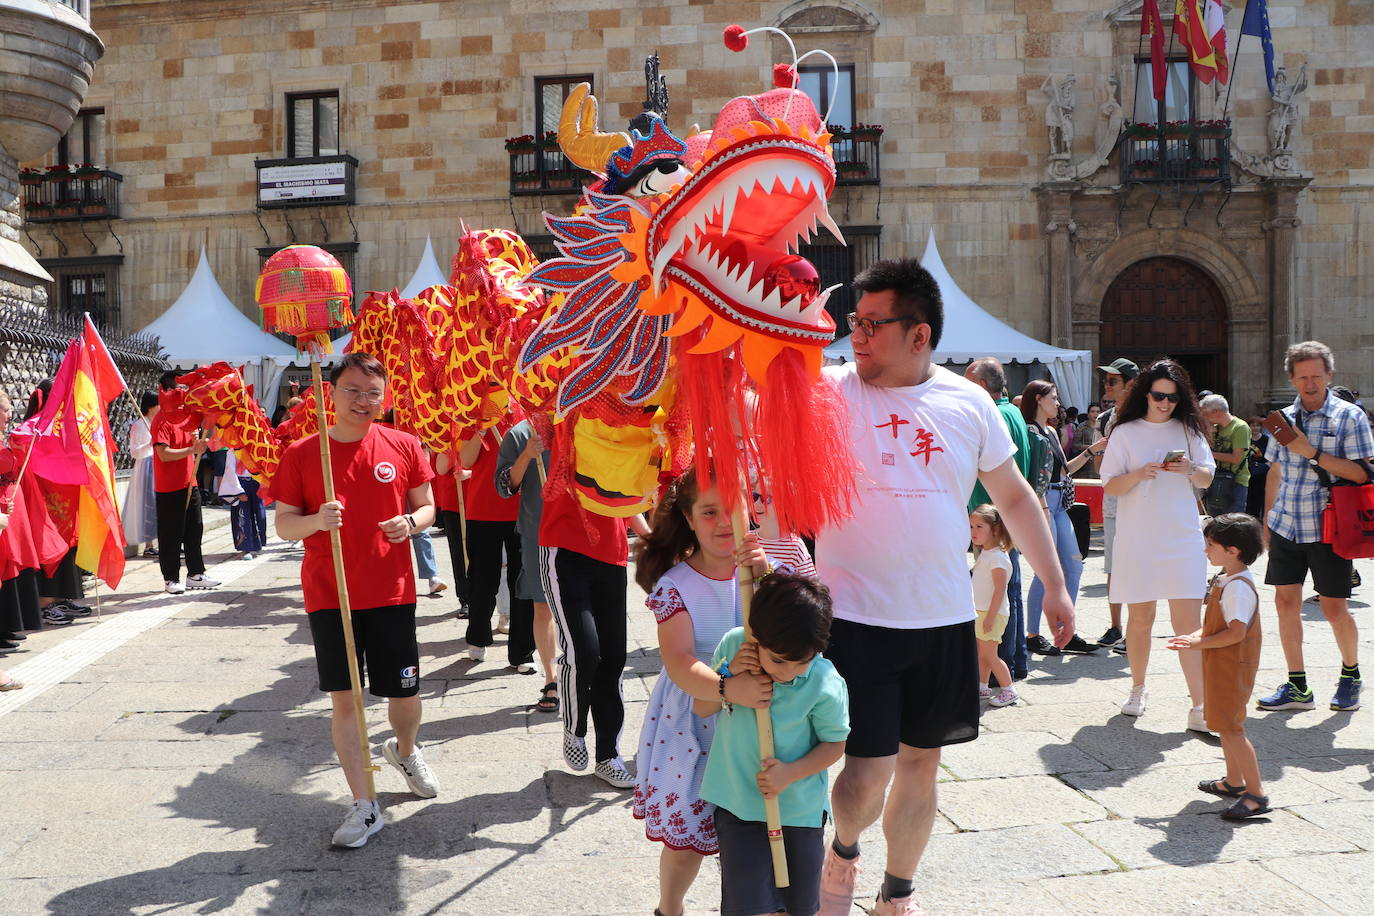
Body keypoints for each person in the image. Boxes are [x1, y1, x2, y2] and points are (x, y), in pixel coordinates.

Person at [814, 259, 1074, 916]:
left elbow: (1015, 498)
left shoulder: (969, 402)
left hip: (941, 619)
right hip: (853, 617)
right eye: (855, 322)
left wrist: (1054, 583)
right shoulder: (830, 392)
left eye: (873, 324)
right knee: (865, 772)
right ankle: (844, 849)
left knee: (922, 766)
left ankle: (897, 892)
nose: (858, 337)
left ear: (919, 335)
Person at [272, 352, 440, 848]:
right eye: (352, 390)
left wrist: (408, 524)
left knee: (404, 697)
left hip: (391, 590)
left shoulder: (404, 445)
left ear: (383, 397)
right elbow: (283, 524)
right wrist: (315, 522)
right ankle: (365, 805)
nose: (363, 401)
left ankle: (404, 751)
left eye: (372, 393)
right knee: (345, 699)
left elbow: (428, 506)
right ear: (332, 393)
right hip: (331, 594)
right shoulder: (305, 453)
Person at [629, 468, 773, 916]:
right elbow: (679, 661)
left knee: (757, 829)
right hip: (696, 724)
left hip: (758, 721)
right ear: (689, 519)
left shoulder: (767, 570)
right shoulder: (677, 586)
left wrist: (766, 578)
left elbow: (796, 631)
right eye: (709, 512)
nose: (722, 522)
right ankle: (670, 906)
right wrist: (730, 688)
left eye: (732, 510)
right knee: (687, 837)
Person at [696, 574, 850, 916]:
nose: (790, 672)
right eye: (778, 660)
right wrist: (728, 677)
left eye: (802, 661)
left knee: (798, 906)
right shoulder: (737, 646)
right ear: (758, 637)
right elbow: (701, 707)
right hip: (738, 802)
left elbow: (834, 744)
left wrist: (790, 773)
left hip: (799, 809)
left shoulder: (825, 681)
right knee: (747, 904)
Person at [1256, 341, 1373, 713]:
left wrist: (1313, 453)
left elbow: (1361, 473)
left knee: (1334, 607)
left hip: (1329, 527)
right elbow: (1274, 470)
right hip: (1287, 523)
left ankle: (1351, 675)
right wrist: (1267, 521)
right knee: (1285, 603)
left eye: (1317, 376)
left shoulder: (1349, 417)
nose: (1310, 384)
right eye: (1303, 377)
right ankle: (1297, 687)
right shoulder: (1282, 420)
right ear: (1291, 378)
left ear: (1330, 376)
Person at [1100, 359, 1216, 730]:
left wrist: (1190, 471)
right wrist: (1137, 474)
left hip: (1181, 537)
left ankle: (1199, 704)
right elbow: (1110, 484)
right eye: (1159, 396)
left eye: (1173, 397)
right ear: (1145, 393)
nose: (1166, 403)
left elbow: (1207, 477)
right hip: (1138, 538)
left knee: (1188, 624)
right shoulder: (1126, 432)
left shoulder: (1188, 431)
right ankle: (1137, 687)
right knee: (1141, 619)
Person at [540, 432, 650, 789]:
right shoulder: (567, 416)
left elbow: (625, 493)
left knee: (614, 658)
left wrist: (648, 536)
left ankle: (608, 756)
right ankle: (574, 728)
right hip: (564, 548)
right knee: (584, 652)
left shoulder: (627, 431)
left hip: (611, 553)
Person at [1168, 513, 1271, 819]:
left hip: (1232, 666)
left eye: (1211, 544)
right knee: (1224, 726)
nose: (1205, 550)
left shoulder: (1238, 587)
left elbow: (1235, 632)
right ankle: (1234, 782)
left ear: (1233, 550)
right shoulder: (1225, 578)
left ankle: (1257, 795)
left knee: (1233, 729)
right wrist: (1193, 637)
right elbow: (1214, 627)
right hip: (1221, 662)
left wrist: (1197, 643)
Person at [964, 357, 1032, 681]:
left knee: (1001, 592)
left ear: (980, 386)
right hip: (1007, 515)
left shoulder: (992, 414)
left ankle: (998, 666)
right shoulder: (1015, 412)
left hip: (993, 515)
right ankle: (1014, 662)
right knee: (1010, 593)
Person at [1020, 380, 1099, 658]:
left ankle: (1067, 630)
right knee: (1046, 569)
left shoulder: (1051, 431)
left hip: (1058, 504)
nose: (1058, 403)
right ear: (1039, 399)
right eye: (1053, 398)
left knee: (1074, 566)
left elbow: (1065, 471)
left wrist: (1091, 451)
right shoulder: (1029, 432)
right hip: (1042, 503)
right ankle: (1032, 634)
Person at [458, 418, 534, 671]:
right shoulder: (475, 413)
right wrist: (480, 427)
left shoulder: (527, 415)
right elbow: (466, 460)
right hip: (483, 509)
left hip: (523, 510)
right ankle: (477, 637)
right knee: (482, 579)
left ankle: (523, 652)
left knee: (522, 582)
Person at [496, 416, 559, 710]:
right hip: (538, 532)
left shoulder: (584, 420)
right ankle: (552, 679)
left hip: (581, 531)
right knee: (542, 605)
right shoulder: (520, 433)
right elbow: (504, 486)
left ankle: (580, 669)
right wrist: (526, 455)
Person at [150, 377, 221, 595]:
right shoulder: (161, 420)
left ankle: (196, 574)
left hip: (191, 481)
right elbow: (163, 454)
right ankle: (171, 578)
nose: (181, 393)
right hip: (169, 487)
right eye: (177, 389)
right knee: (171, 534)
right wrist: (193, 450)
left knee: (194, 529)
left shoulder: (187, 416)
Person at [1092, 357, 1139, 649]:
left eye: (1113, 381)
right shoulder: (1104, 419)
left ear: (1130, 384)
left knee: (1135, 566)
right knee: (1113, 567)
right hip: (1113, 501)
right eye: (1106, 381)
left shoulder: (1144, 418)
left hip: (1138, 502)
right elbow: (1100, 469)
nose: (1107, 386)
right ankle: (1115, 626)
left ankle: (1135, 628)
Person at [969, 505, 1017, 707]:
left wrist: (990, 616)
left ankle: (1008, 689)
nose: (973, 532)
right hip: (982, 611)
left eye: (979, 526)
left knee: (990, 654)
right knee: (983, 653)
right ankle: (982, 685)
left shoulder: (997, 557)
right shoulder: (986, 554)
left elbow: (1000, 590)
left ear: (995, 530)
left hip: (992, 613)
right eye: (971, 526)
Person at [121, 391, 160, 558]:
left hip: (158, 465)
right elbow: (134, 452)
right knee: (147, 506)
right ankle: (148, 545)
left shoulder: (156, 423)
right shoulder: (139, 425)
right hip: (146, 467)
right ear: (151, 406)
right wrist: (148, 444)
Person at [1200, 394, 1252, 517]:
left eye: (1205, 414)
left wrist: (1210, 454)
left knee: (1232, 523)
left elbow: (1236, 458)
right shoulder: (1216, 428)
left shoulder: (1240, 427)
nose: (1203, 417)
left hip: (1236, 482)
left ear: (1216, 412)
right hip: (1217, 479)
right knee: (1215, 521)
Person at [219, 448, 267, 560]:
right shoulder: (232, 451)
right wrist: (238, 491)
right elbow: (230, 471)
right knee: (243, 516)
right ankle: (246, 547)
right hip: (241, 484)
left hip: (256, 483)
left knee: (259, 515)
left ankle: (257, 544)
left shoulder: (257, 446)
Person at [1244, 416, 1272, 520]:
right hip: (1248, 472)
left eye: (1257, 426)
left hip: (1262, 473)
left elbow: (1269, 457)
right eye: (1252, 425)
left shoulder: (1266, 439)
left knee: (1260, 497)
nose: (1255, 428)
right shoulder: (1246, 438)